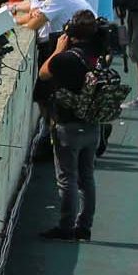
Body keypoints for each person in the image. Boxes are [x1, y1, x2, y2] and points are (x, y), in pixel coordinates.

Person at [38, 13, 109, 240]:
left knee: (67, 178)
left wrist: (58, 48)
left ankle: (66, 226)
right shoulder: (96, 54)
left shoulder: (66, 59)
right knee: (87, 177)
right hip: (92, 124)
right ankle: (84, 227)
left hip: (67, 126)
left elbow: (44, 74)